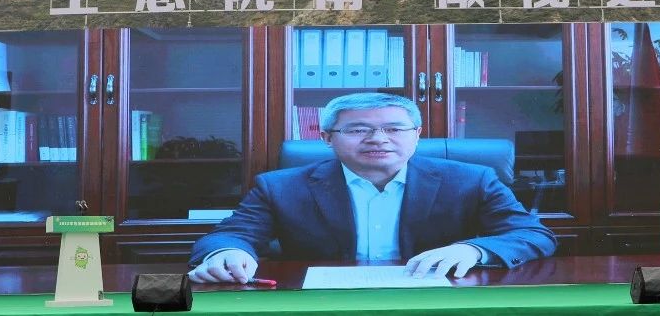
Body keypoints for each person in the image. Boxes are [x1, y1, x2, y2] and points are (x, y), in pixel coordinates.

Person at [188, 92, 556, 282]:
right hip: (326, 304)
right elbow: (230, 235)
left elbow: (532, 234)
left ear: (416, 135)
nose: (378, 138)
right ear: (327, 138)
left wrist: (473, 250)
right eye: (358, 129)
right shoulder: (280, 187)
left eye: (394, 128)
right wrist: (225, 254)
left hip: (436, 299)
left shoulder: (472, 179)